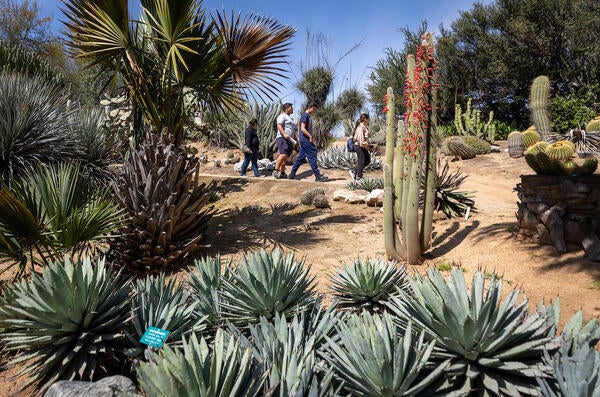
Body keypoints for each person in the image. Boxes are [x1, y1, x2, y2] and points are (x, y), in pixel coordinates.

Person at [289, 102, 328, 182]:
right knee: (312, 154)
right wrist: (310, 136)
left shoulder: (307, 116)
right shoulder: (305, 115)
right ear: (310, 107)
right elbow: (303, 128)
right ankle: (318, 176)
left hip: (304, 140)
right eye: (314, 109)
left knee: (300, 157)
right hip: (305, 139)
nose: (314, 111)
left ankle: (292, 174)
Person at [274, 103, 296, 179]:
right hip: (282, 137)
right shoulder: (282, 116)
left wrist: (296, 139)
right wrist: (284, 133)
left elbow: (292, 130)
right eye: (291, 107)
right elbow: (279, 125)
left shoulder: (290, 118)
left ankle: (282, 173)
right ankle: (276, 170)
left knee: (285, 155)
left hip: (289, 139)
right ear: (287, 108)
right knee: (283, 154)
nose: (292, 109)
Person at [349, 113, 372, 182]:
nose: (369, 120)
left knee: (367, 160)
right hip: (359, 146)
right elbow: (361, 142)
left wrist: (368, 146)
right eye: (368, 119)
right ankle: (359, 177)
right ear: (365, 119)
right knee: (361, 161)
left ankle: (354, 171)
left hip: (362, 146)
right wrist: (368, 148)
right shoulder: (360, 128)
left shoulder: (364, 127)